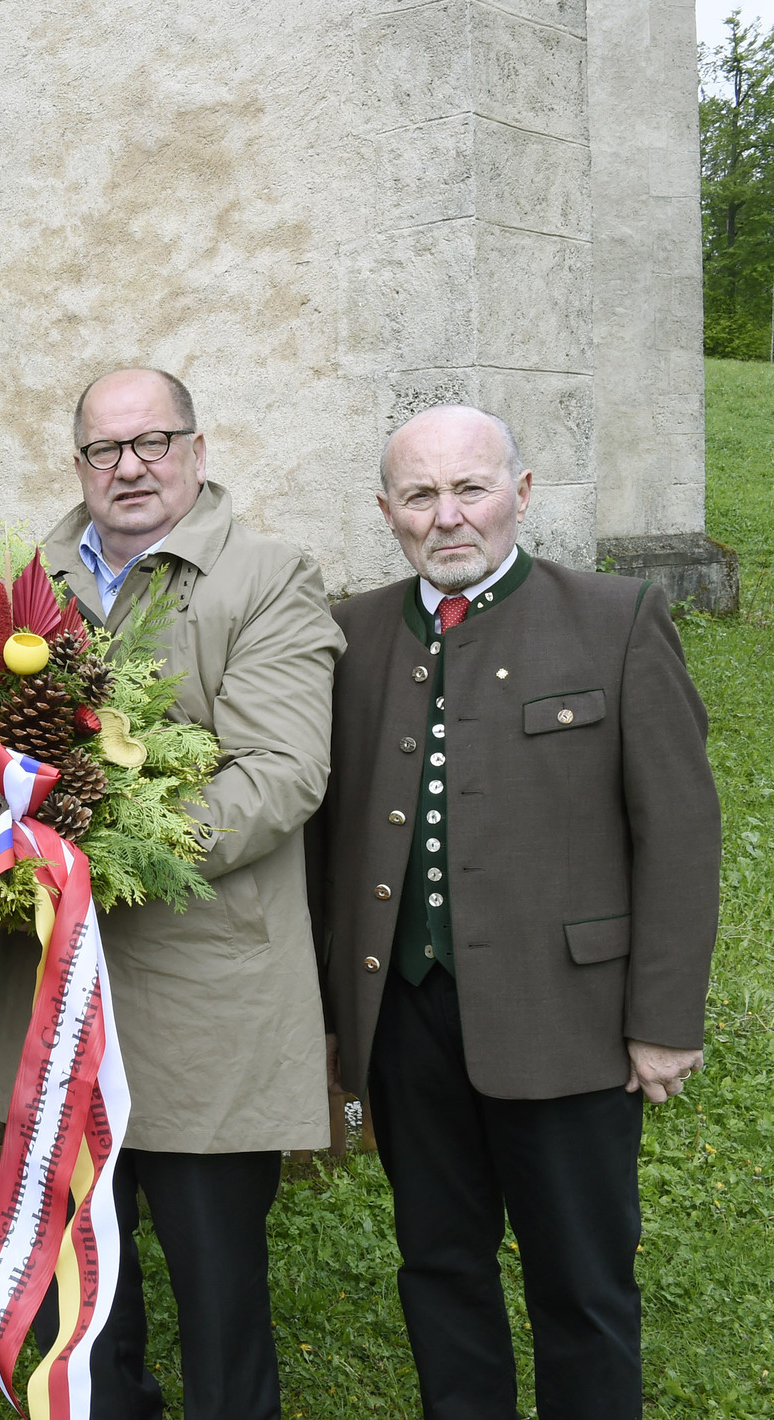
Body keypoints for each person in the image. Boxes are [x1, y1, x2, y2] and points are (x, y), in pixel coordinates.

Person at [309, 404, 719, 1419]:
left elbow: (676, 830)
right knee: (438, 1267)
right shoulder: (349, 634)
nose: (447, 516)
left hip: (566, 1023)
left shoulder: (612, 617)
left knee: (580, 1285)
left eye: (470, 488)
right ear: (385, 511)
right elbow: (325, 840)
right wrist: (331, 1019)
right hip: (406, 1021)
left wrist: (661, 1020)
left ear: (520, 495)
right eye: (419, 495)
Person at [0, 368, 342, 1419]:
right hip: (53, 995)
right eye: (104, 449)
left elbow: (279, 772)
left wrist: (104, 855)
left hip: (200, 996)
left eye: (152, 441)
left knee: (218, 1296)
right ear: (77, 462)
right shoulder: (15, 589)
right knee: (86, 1301)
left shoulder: (266, 577)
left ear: (194, 446)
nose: (128, 465)